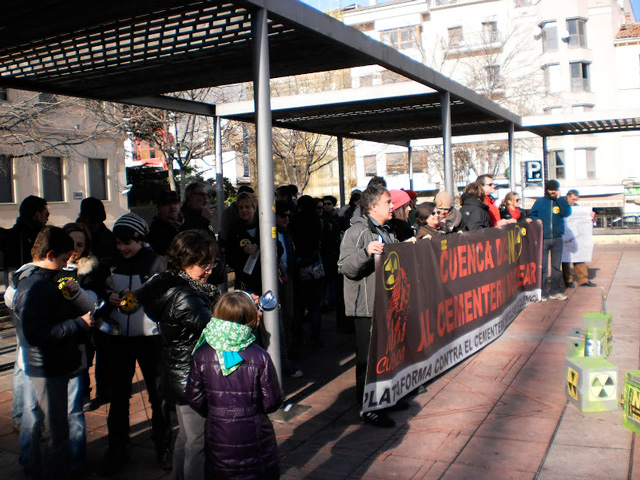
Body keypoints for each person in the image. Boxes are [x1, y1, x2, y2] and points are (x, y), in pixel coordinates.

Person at [137, 230, 221, 480]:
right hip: (190, 377)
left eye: (211, 264)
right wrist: (244, 316)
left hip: (179, 373)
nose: (208, 271)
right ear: (183, 262)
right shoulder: (186, 296)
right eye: (202, 265)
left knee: (186, 437)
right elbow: (215, 333)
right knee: (198, 442)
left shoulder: (172, 285)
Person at [11, 226, 93, 480]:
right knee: (54, 430)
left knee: (46, 425)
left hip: (51, 364)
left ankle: (37, 469)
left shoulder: (41, 281)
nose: (65, 264)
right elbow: (36, 333)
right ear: (50, 254)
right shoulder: (35, 286)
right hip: (46, 367)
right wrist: (80, 324)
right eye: (63, 259)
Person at [101, 212, 172, 473]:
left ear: (140, 239)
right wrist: (107, 298)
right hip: (119, 339)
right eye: (118, 243)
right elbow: (99, 293)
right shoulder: (111, 264)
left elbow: (166, 298)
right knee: (118, 396)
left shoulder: (157, 263)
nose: (122, 248)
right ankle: (117, 448)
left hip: (151, 340)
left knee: (159, 396)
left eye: (127, 242)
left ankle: (164, 447)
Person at [186, 291, 282, 480]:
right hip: (254, 433)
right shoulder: (259, 355)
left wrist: (216, 411)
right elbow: (272, 402)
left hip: (218, 432)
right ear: (249, 317)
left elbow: (194, 396)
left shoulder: (202, 352)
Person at [338, 183, 398, 428]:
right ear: (373, 206)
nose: (392, 206)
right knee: (367, 360)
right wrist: (365, 252)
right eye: (388, 202)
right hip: (366, 306)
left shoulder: (385, 230)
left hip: (384, 303)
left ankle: (384, 399)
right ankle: (367, 408)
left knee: (385, 355)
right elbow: (345, 266)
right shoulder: (357, 232)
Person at [5, 195, 49, 433]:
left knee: (24, 355)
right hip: (26, 302)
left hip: (23, 301)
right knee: (23, 358)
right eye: (45, 212)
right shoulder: (26, 237)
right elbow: (23, 272)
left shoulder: (20, 234)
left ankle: (24, 412)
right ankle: (21, 413)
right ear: (36, 214)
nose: (47, 217)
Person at [290, 195, 325, 348]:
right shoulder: (318, 222)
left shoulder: (294, 221)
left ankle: (297, 338)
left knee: (299, 305)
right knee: (315, 304)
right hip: (315, 264)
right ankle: (315, 336)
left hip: (299, 264)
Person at [528, 180, 572, 301]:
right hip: (543, 238)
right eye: (551, 189)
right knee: (543, 267)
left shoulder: (560, 201)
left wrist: (560, 200)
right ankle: (541, 292)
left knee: (556, 267)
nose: (553, 192)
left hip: (557, 238)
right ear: (546, 190)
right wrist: (536, 219)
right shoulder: (540, 202)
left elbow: (567, 212)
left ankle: (555, 291)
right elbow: (531, 214)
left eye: (555, 189)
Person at [225, 191, 261, 294]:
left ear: (254, 208)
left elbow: (279, 249)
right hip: (244, 282)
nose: (244, 210)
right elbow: (229, 258)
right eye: (241, 207)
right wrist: (243, 251)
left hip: (264, 279)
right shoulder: (234, 230)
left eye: (247, 207)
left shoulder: (264, 226)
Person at [562, 189, 596, 288]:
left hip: (577, 237)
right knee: (566, 259)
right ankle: (568, 280)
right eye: (573, 199)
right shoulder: (561, 205)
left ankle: (583, 279)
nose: (574, 202)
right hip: (565, 236)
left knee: (580, 256)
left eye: (576, 200)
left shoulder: (577, 208)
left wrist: (590, 216)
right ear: (567, 197)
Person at [76, 197, 114, 269]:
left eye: (98, 221)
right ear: (83, 219)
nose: (94, 226)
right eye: (90, 222)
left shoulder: (108, 237)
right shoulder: (73, 236)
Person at [148, 190, 184, 256]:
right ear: (159, 207)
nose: (172, 207)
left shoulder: (189, 223)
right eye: (166, 204)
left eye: (175, 202)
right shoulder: (155, 232)